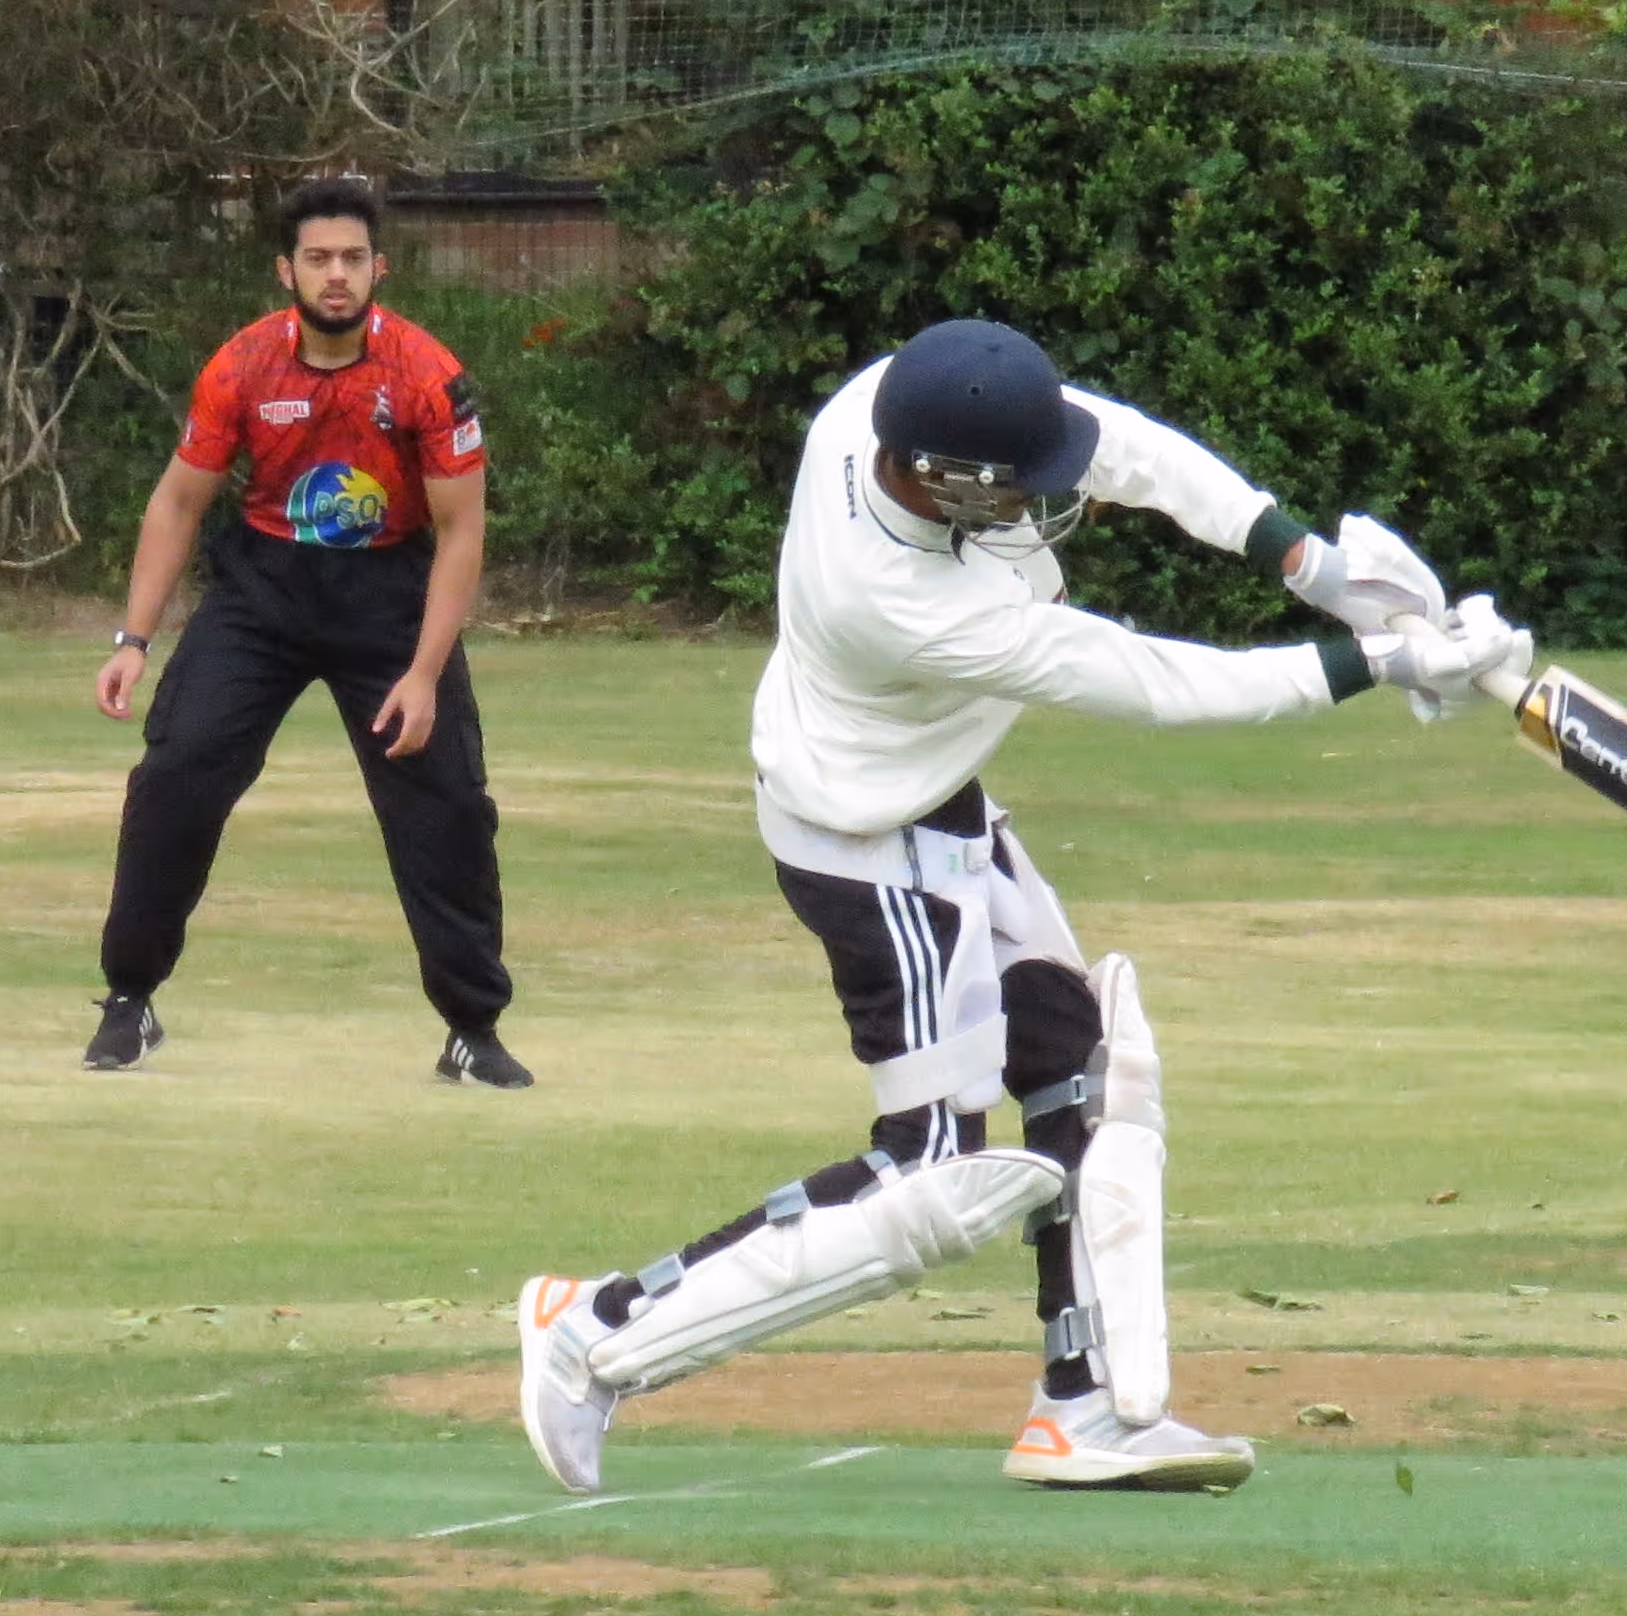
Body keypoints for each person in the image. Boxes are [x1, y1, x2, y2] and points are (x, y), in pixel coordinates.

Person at [512, 317, 1522, 1491]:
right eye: (1016, 496)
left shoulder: (892, 401)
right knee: (929, 1177)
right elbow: (1156, 684)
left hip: (934, 803)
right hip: (862, 846)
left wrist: (1310, 566)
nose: (1048, 506)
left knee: (1078, 1067)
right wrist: (1379, 664)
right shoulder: (902, 600)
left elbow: (1129, 452)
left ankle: (1082, 1408)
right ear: (941, 485)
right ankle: (593, 1334)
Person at [83, 175, 528, 1087]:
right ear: (287, 269)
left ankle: (471, 1032)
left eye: (353, 260)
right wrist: (134, 640)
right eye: (319, 259)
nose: (336, 276)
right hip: (265, 592)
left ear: (379, 270)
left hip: (391, 598)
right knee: (176, 773)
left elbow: (461, 533)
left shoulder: (427, 376)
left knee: (445, 807)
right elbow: (176, 501)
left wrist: (424, 672)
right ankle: (130, 998)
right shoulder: (242, 366)